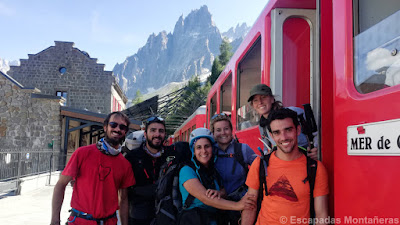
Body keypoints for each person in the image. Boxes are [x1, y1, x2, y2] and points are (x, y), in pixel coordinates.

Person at [241, 108, 329, 225]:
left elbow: (321, 215)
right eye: (277, 132)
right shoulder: (260, 164)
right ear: (271, 136)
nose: (283, 137)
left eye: (288, 130)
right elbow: (250, 206)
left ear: (298, 130)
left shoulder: (315, 168)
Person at [51, 112, 135, 225]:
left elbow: (123, 199)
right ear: (105, 127)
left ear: (125, 132)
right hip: (80, 221)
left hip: (109, 222)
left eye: (122, 127)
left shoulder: (125, 165)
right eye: (113, 124)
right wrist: (55, 221)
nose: (117, 129)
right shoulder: (82, 153)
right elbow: (61, 185)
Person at [179, 128, 256, 225]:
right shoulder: (186, 170)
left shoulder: (213, 169)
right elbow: (204, 198)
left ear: (212, 148)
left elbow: (223, 191)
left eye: (207, 146)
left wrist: (219, 193)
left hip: (214, 219)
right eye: (198, 147)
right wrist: (238, 205)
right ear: (193, 151)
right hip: (194, 220)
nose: (203, 151)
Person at [248, 83, 318, 160]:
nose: (260, 102)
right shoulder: (262, 126)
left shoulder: (295, 113)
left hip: (307, 162)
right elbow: (266, 147)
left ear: (272, 99)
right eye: (255, 100)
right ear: (253, 105)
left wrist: (318, 150)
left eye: (263, 97)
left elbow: (318, 133)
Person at [210, 113, 257, 224]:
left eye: (226, 129)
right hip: (217, 204)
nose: (223, 133)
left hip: (241, 203)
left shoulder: (243, 149)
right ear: (213, 133)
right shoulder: (209, 152)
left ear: (231, 130)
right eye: (218, 130)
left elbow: (259, 167)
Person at [125, 116, 168, 225]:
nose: (157, 134)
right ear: (145, 134)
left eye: (161, 131)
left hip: (165, 217)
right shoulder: (131, 158)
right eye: (153, 130)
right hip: (138, 218)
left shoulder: (172, 155)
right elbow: (123, 195)